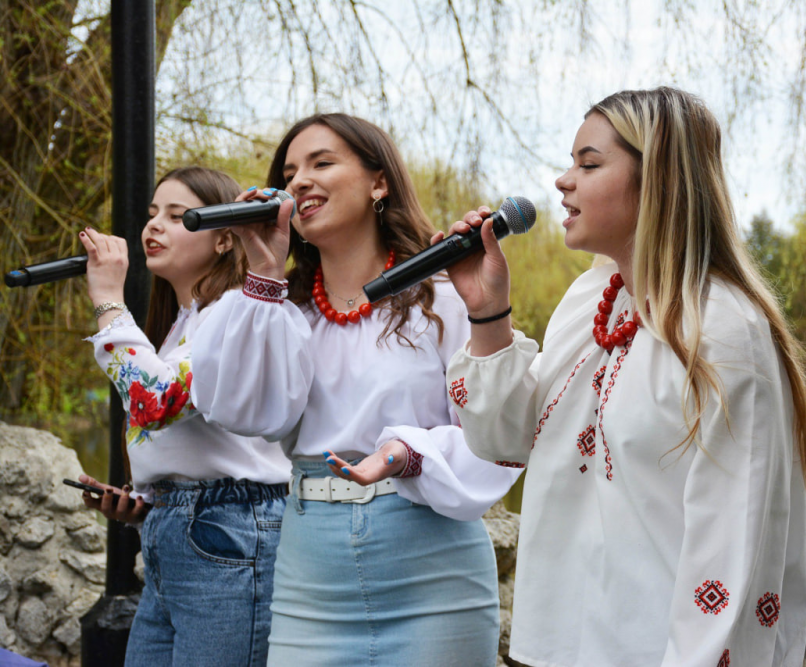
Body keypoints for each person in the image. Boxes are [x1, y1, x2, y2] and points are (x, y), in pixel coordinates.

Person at [443, 86, 806, 666]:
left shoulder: (720, 330)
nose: (563, 181)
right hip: (555, 647)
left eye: (589, 163)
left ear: (661, 180)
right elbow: (505, 438)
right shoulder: (593, 297)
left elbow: (733, 543)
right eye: (571, 162)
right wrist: (487, 311)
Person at [188, 113, 522, 666]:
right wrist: (264, 271)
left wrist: (406, 453)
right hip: (311, 574)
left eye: (322, 163)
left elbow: (500, 436)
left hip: (431, 566)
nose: (299, 182)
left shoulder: (446, 293)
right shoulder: (277, 309)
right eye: (289, 173)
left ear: (379, 182)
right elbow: (241, 409)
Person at [77, 166, 290, 667]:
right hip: (178, 535)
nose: (154, 227)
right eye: (152, 214)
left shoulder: (238, 309)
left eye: (177, 216)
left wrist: (108, 299)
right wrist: (149, 500)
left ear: (223, 240)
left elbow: (157, 401)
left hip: (228, 532)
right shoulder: (182, 324)